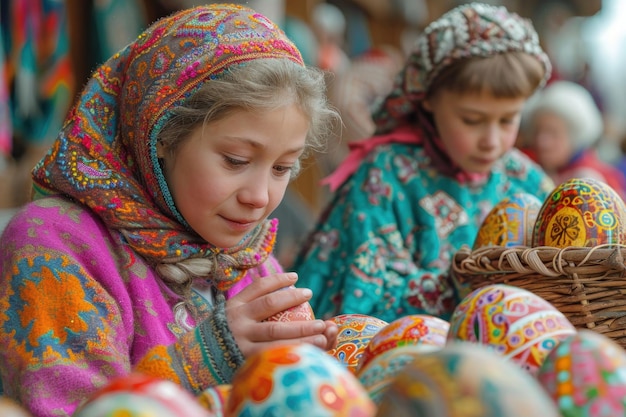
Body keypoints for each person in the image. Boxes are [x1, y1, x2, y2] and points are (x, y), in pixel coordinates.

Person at [0, 4, 340, 416]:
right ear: (160, 135)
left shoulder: (249, 261)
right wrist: (205, 358)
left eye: (282, 168)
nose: (260, 197)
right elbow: (67, 408)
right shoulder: (55, 245)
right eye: (235, 160)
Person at [292, 2, 556, 323]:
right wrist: (474, 281)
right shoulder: (386, 175)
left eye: (508, 120)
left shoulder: (526, 180)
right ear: (427, 97)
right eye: (472, 120)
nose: (492, 140)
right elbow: (362, 299)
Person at [519, 80, 626, 198]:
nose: (542, 142)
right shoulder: (526, 168)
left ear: (574, 137)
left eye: (553, 133)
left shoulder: (596, 179)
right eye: (538, 131)